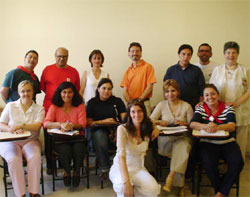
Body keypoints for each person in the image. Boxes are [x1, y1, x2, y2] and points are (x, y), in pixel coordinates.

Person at [190, 84, 244, 197]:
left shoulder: (227, 108)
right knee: (209, 164)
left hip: (227, 142)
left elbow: (232, 126)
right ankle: (221, 191)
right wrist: (205, 126)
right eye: (206, 95)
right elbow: (193, 124)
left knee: (238, 162)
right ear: (203, 98)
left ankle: (220, 192)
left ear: (218, 95)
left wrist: (216, 127)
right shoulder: (200, 108)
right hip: (208, 143)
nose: (210, 97)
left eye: (213, 94)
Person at [0, 80, 45, 197]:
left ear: (33, 92)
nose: (26, 93)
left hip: (31, 141)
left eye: (28, 90)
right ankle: (20, 194)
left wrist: (21, 126)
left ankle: (34, 192)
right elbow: (1, 124)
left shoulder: (39, 109)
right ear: (18, 93)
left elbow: (37, 126)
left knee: (35, 157)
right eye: (23, 91)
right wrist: (10, 128)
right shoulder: (10, 106)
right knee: (14, 159)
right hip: (10, 141)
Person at [40, 47, 80, 173]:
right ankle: (51, 167)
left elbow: (76, 90)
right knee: (49, 138)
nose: (61, 58)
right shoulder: (47, 69)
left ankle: (64, 164)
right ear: (55, 56)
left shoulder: (73, 71)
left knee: (65, 136)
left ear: (68, 57)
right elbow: (43, 88)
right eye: (59, 56)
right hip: (49, 109)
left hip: (67, 110)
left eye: (64, 56)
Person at [150, 79, 193, 196]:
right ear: (164, 93)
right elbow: (149, 120)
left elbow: (193, 126)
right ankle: (180, 186)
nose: (170, 94)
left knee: (182, 147)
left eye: (173, 91)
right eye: (167, 91)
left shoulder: (186, 106)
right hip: (166, 141)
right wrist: (160, 121)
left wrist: (186, 124)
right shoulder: (161, 105)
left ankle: (171, 176)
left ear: (178, 91)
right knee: (181, 152)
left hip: (182, 138)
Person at [109, 99, 161, 197]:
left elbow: (152, 122)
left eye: (139, 111)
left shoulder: (147, 127)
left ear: (144, 113)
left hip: (138, 168)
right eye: (133, 112)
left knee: (153, 190)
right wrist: (126, 182)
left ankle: (136, 192)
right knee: (122, 186)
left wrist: (156, 128)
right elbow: (121, 157)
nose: (136, 115)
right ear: (129, 114)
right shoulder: (122, 129)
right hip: (120, 168)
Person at [209, 41, 250, 161]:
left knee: (241, 140)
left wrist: (236, 102)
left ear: (237, 54)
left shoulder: (245, 70)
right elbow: (211, 89)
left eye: (234, 52)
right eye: (228, 52)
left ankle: (238, 166)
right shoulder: (218, 69)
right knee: (223, 137)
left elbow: (249, 90)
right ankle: (223, 164)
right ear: (224, 54)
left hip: (240, 108)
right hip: (221, 109)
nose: (231, 55)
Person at [44, 82, 86, 188]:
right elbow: (46, 123)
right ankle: (67, 172)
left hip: (77, 137)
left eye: (70, 92)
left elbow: (83, 124)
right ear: (60, 93)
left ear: (74, 93)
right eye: (64, 92)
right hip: (60, 139)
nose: (67, 95)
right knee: (65, 150)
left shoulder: (80, 106)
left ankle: (76, 172)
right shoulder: (54, 106)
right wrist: (60, 124)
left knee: (79, 149)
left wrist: (70, 126)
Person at [86, 78, 126, 177]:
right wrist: (103, 122)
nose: (106, 91)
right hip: (98, 131)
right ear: (98, 89)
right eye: (103, 88)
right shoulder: (92, 102)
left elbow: (125, 120)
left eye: (109, 89)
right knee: (100, 136)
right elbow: (88, 122)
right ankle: (105, 168)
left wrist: (120, 130)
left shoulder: (117, 101)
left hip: (116, 130)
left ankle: (122, 167)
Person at [163, 44, 205, 109]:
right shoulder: (171, 70)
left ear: (191, 56)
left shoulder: (196, 70)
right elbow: (165, 89)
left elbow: (202, 89)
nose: (186, 57)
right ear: (178, 54)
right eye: (183, 54)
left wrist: (201, 104)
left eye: (189, 54)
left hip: (193, 105)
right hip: (175, 105)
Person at [120, 42, 157, 115]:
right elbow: (125, 91)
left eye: (137, 51)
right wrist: (130, 103)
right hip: (131, 105)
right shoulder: (128, 71)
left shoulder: (148, 67)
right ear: (129, 53)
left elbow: (149, 87)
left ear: (141, 53)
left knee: (145, 126)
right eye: (132, 51)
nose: (135, 53)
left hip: (144, 103)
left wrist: (139, 101)